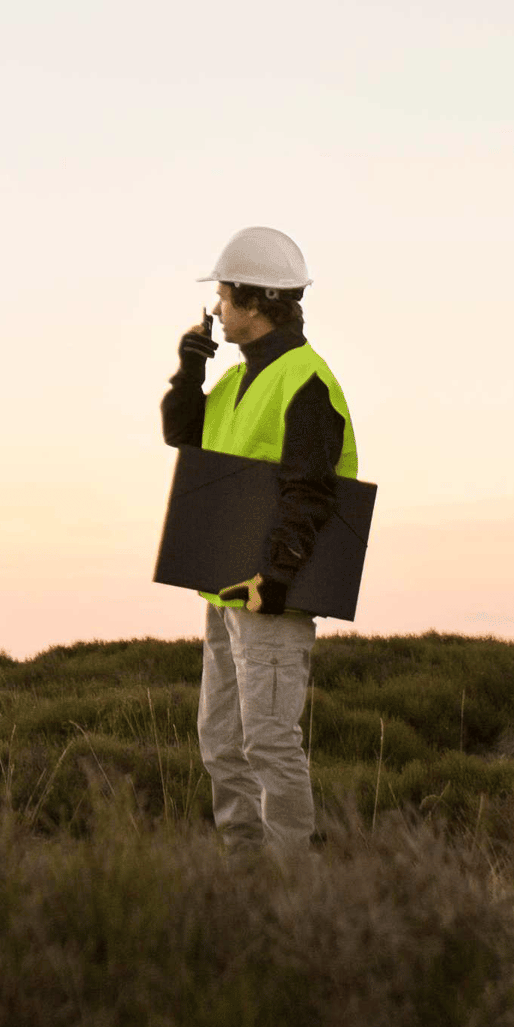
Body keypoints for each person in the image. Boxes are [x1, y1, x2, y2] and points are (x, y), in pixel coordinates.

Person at [162, 227, 357, 855]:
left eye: (221, 297)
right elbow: (183, 437)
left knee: (268, 743)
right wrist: (191, 371)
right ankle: (244, 886)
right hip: (225, 591)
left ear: (253, 301)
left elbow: (312, 493)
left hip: (268, 593)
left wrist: (276, 579)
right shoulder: (233, 384)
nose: (215, 310)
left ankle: (292, 893)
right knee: (222, 744)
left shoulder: (306, 382)